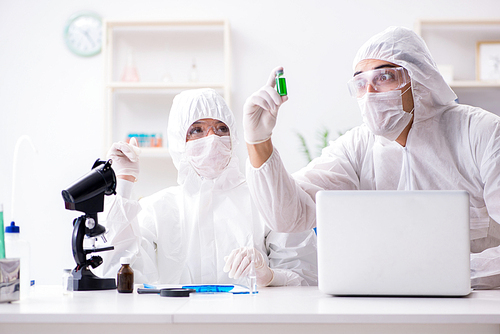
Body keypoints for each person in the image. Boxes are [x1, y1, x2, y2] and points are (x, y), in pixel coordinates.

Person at [242, 26, 500, 289]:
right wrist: (259, 141)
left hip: (479, 303)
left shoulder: (482, 133)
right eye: (360, 83)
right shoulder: (357, 147)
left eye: (384, 77)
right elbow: (290, 215)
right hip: (386, 299)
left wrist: (448, 274)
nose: (370, 93)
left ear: (418, 78)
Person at [99, 88, 317, 287]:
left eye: (222, 128)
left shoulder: (265, 199)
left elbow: (306, 277)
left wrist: (269, 276)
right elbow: (119, 274)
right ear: (178, 141)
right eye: (197, 130)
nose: (212, 138)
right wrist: (124, 183)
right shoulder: (159, 209)